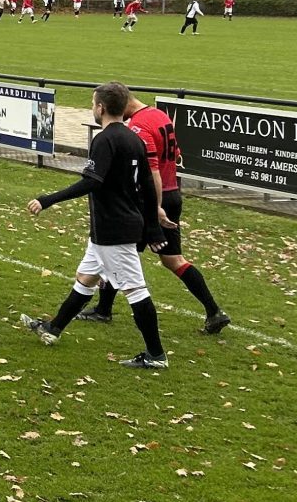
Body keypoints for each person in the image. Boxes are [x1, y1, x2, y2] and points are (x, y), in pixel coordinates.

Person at [21, 81, 176, 369]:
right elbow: (146, 185)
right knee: (86, 277)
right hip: (117, 225)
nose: (93, 109)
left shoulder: (104, 140)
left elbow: (92, 181)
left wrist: (48, 199)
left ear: (101, 107)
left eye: (93, 104)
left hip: (113, 228)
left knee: (135, 290)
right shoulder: (134, 138)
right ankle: (52, 329)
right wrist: (152, 224)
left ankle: (156, 355)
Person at [77, 93, 230, 335]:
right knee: (173, 260)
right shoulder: (159, 116)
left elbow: (152, 172)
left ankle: (103, 310)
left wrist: (155, 208)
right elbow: (174, 154)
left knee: (115, 248)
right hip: (173, 194)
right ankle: (214, 311)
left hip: (152, 200)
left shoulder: (139, 125)